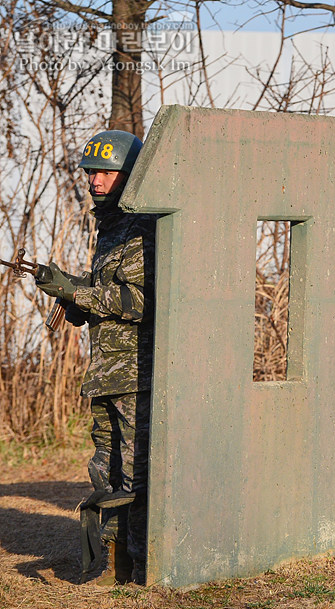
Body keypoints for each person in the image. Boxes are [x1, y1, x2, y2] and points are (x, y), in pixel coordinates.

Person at [35, 130, 155, 583]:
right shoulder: (110, 225)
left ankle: (143, 564)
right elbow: (109, 292)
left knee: (136, 471)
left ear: (129, 174)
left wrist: (80, 292)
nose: (95, 180)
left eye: (105, 172)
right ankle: (112, 561)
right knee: (105, 466)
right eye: (90, 172)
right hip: (106, 372)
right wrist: (74, 294)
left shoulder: (147, 225)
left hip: (137, 373)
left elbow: (145, 301)